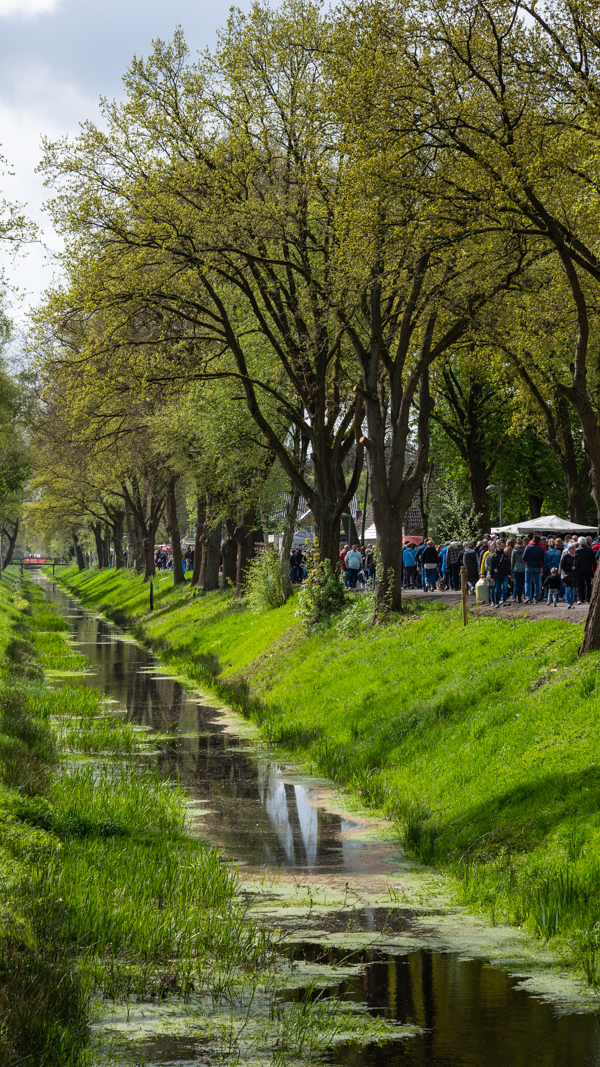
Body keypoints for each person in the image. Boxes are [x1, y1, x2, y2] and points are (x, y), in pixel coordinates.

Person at [522, 534, 545, 602]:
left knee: (527, 582)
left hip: (529, 566)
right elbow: (543, 559)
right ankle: (536, 597)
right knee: (537, 583)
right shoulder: (541, 549)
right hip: (537, 566)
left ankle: (528, 596)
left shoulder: (528, 547)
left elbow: (523, 557)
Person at [575, 535, 595, 604]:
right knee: (588, 584)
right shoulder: (590, 550)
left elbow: (575, 561)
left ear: (579, 543)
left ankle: (579, 599)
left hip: (579, 570)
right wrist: (594, 570)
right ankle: (588, 599)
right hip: (588, 569)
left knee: (579, 584)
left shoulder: (577, 551)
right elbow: (593, 561)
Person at [490, 540, 510, 605]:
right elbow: (491, 566)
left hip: (504, 574)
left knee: (505, 588)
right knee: (497, 589)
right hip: (497, 575)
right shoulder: (493, 556)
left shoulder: (504, 555)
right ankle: (496, 602)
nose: (503, 547)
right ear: (498, 546)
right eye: (502, 546)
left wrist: (509, 574)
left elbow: (507, 565)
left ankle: (504, 601)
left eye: (503, 546)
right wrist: (491, 576)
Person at [560, 542, 578, 608]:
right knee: (568, 590)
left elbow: (579, 565)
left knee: (573, 591)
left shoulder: (577, 556)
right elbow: (562, 566)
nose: (574, 550)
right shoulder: (565, 556)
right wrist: (570, 568)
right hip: (567, 575)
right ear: (569, 549)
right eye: (572, 548)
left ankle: (571, 603)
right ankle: (568, 603)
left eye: (574, 548)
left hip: (574, 576)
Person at [511, 538, 526, 602]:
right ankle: (525, 596)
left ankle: (518, 597)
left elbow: (512, 560)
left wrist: (512, 569)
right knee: (523, 583)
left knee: (517, 584)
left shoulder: (514, 551)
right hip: (524, 568)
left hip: (516, 568)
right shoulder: (524, 550)